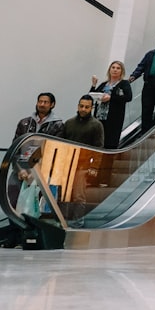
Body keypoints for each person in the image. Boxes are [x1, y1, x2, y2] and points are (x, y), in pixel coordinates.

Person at [63, 95, 105, 226]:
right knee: (65, 194)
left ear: (91, 108)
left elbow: (99, 148)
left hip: (83, 165)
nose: (83, 109)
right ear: (77, 106)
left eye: (87, 107)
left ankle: (77, 222)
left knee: (78, 196)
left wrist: (94, 168)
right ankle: (64, 220)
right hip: (67, 164)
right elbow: (62, 142)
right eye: (81, 106)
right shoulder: (69, 123)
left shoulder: (96, 125)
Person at [90, 61, 132, 150]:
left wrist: (111, 98)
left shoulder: (124, 83)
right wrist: (94, 85)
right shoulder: (104, 84)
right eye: (113, 67)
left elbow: (128, 97)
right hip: (99, 116)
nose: (115, 70)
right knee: (98, 140)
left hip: (114, 118)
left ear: (121, 71)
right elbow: (92, 96)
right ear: (109, 70)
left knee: (110, 141)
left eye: (118, 68)